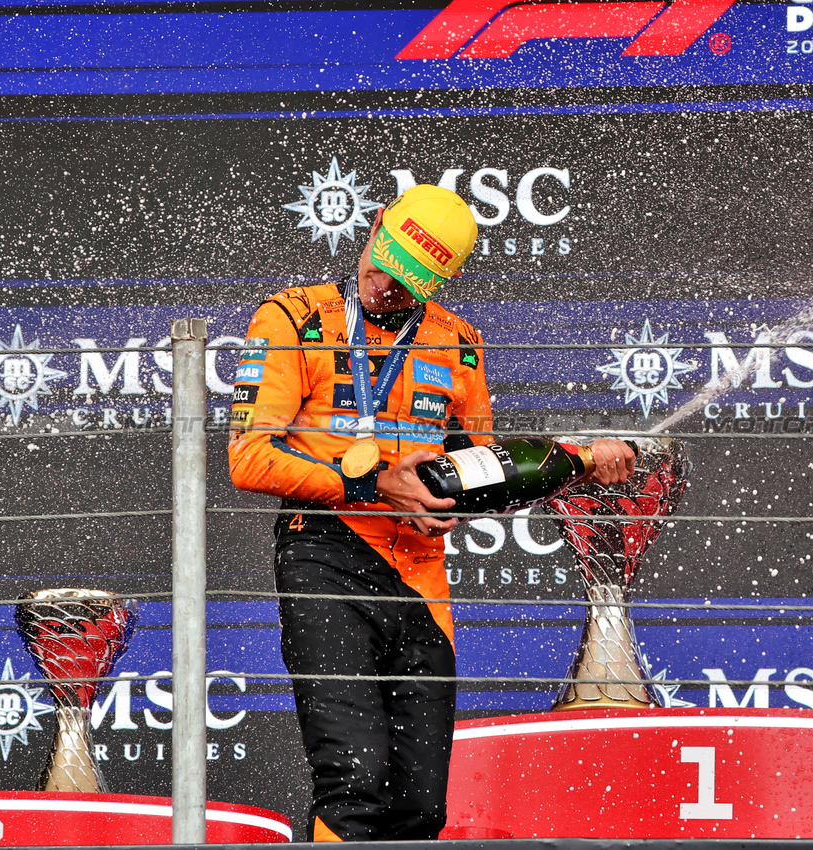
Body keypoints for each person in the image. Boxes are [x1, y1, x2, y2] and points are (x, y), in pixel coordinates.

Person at [227, 184, 635, 842]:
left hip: (421, 577)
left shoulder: (459, 342)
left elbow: (484, 470)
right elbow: (248, 457)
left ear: (440, 280)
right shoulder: (291, 317)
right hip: (324, 558)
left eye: (406, 281)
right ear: (376, 224)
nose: (384, 285)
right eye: (381, 263)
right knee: (354, 783)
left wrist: (582, 457)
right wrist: (373, 488)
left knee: (420, 807)